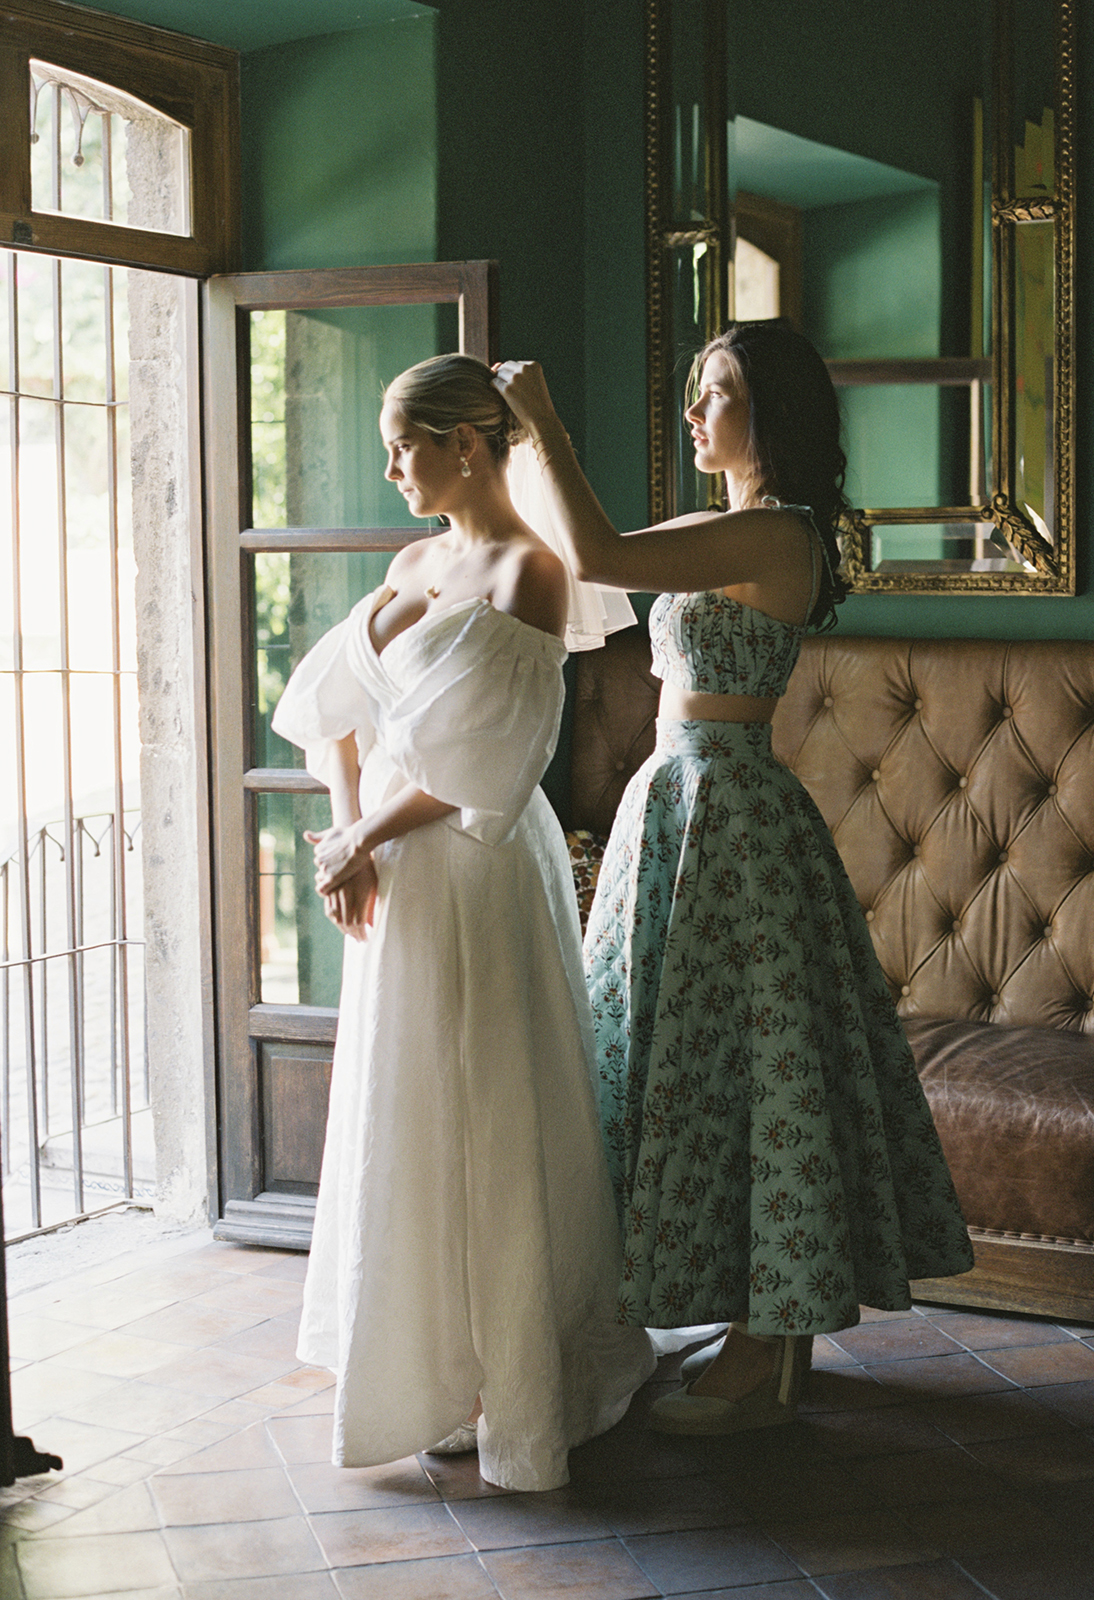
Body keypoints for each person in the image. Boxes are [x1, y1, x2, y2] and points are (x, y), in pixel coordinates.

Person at [494, 319, 974, 1436]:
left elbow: (604, 554)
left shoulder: (782, 537)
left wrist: (551, 426)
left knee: (751, 1078)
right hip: (677, 808)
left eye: (719, 394)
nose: (695, 413)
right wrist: (509, 459)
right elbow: (583, 551)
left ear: (778, 415)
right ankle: (749, 1317)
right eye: (695, 394)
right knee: (672, 1065)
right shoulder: (730, 526)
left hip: (732, 819)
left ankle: (769, 1339)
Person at [271, 353, 654, 1492]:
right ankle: (429, 1367)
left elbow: (490, 761)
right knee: (411, 1110)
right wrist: (346, 839)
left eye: (406, 445)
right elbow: (326, 707)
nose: (392, 468)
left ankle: (512, 1381)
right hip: (396, 877)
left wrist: (365, 839)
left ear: (470, 445)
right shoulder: (410, 563)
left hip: (478, 870)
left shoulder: (531, 574)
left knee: (489, 1106)